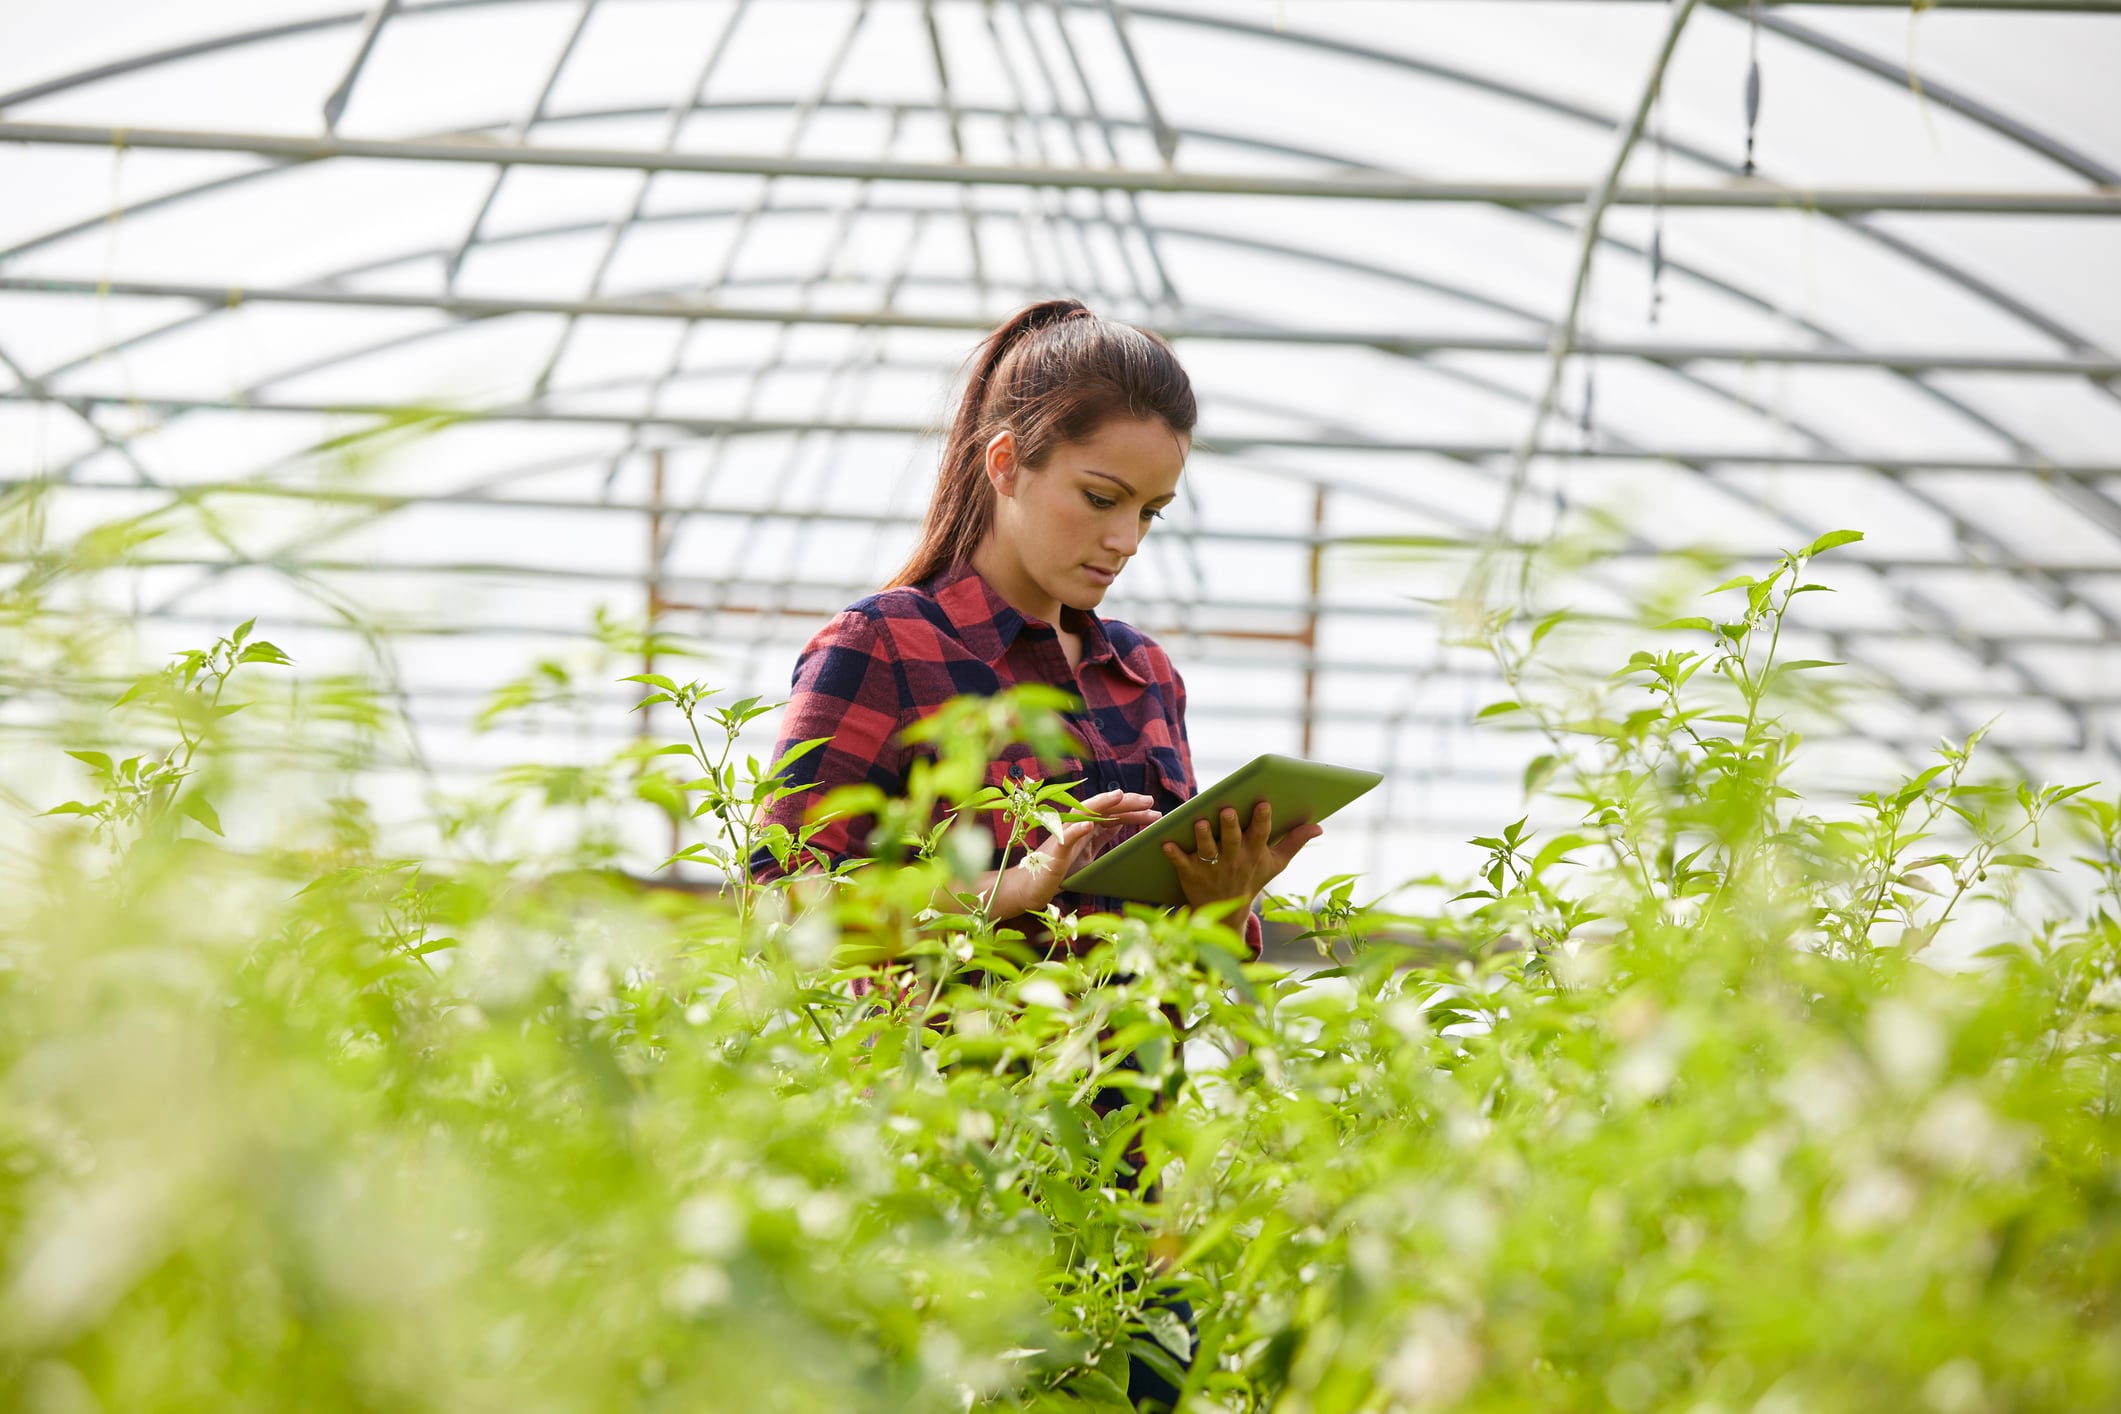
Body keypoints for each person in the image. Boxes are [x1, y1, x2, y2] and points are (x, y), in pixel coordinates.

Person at [750, 296, 1321, 946]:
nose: (1126, 539)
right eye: (1100, 498)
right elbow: (782, 904)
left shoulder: (1144, 676)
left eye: (1149, 512)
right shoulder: (884, 645)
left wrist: (1220, 905)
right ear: (1005, 464)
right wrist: (1010, 888)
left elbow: (1180, 986)